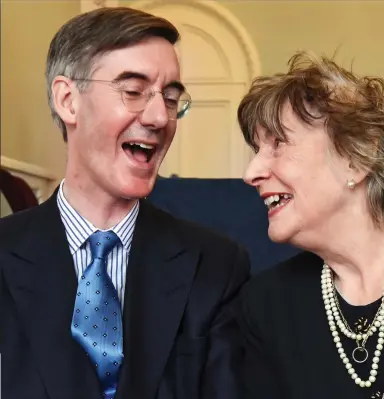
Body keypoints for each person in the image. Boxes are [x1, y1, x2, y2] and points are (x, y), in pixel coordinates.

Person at [0, 7, 250, 399]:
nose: (158, 117)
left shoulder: (216, 266)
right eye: (133, 91)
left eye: (170, 98)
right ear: (68, 100)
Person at [235, 51, 384, 399]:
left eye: (277, 144)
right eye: (256, 150)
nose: (251, 173)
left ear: (356, 158)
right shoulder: (266, 305)